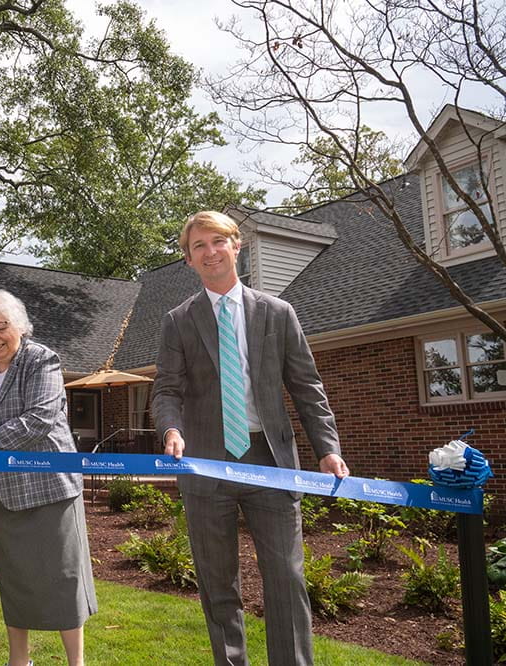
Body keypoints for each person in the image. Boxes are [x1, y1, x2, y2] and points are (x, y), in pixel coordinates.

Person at [151, 210, 350, 666]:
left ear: (237, 245)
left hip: (270, 461)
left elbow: (307, 388)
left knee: (286, 578)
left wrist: (328, 449)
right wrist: (172, 428)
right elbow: (167, 388)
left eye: (217, 240)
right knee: (218, 584)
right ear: (188, 259)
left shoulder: (278, 314)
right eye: (198, 246)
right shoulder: (178, 320)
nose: (209, 252)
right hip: (205, 465)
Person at [0, 290, 97, 666]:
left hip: (48, 488)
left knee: (63, 578)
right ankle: (19, 660)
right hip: (1, 490)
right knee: (13, 580)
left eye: (0, 327)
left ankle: (75, 662)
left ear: (20, 326)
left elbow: (38, 422)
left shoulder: (41, 359)